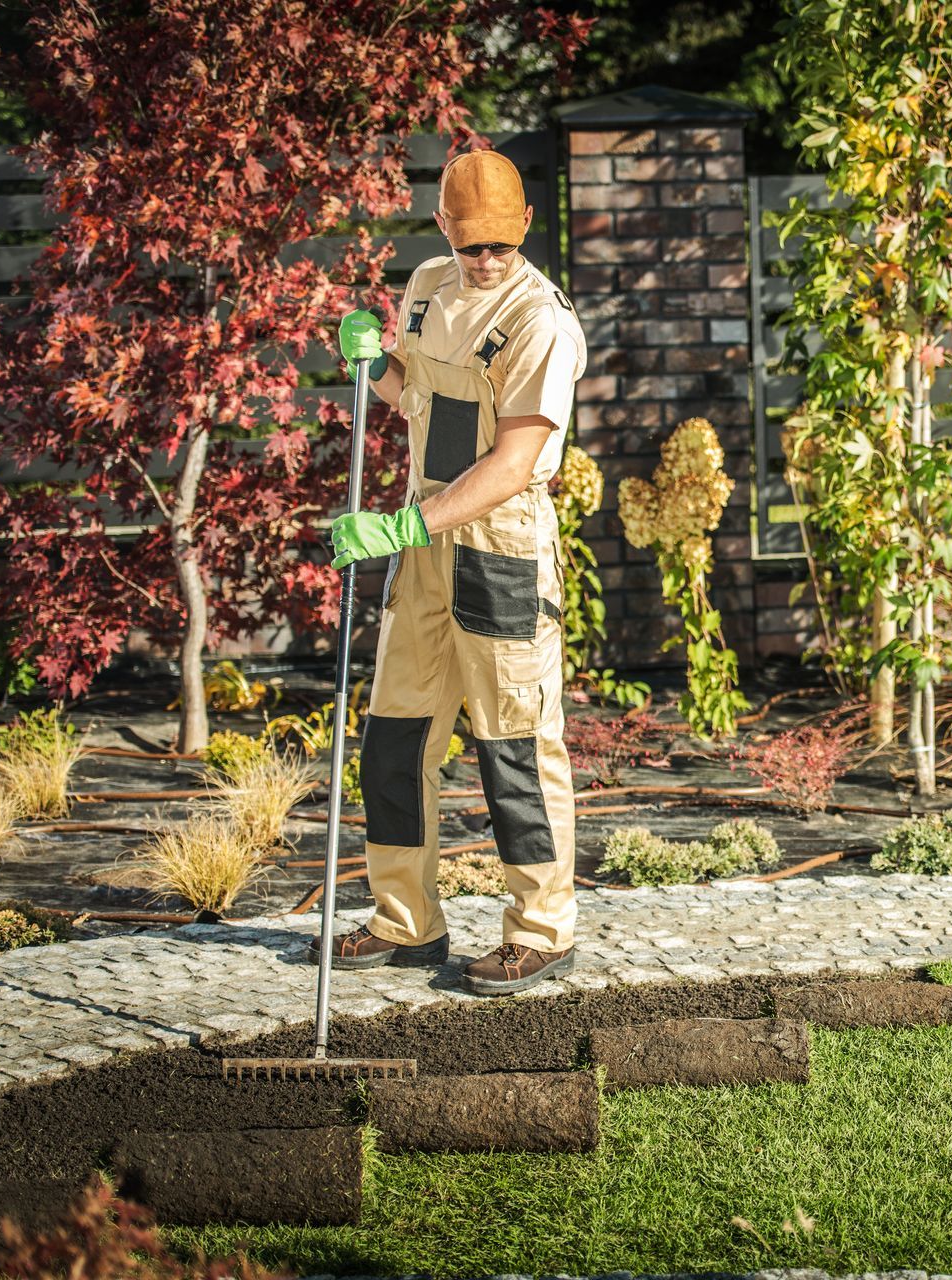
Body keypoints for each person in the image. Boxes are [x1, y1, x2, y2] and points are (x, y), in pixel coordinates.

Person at [321, 147, 587, 996]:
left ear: (524, 232)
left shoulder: (543, 321)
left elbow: (513, 462)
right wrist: (368, 364)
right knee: (394, 735)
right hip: (423, 544)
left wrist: (404, 522)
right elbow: (414, 399)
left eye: (499, 247)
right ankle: (406, 924)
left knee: (512, 744)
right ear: (443, 226)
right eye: (471, 244)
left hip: (499, 549)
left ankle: (541, 929)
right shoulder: (430, 285)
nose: (484, 260)